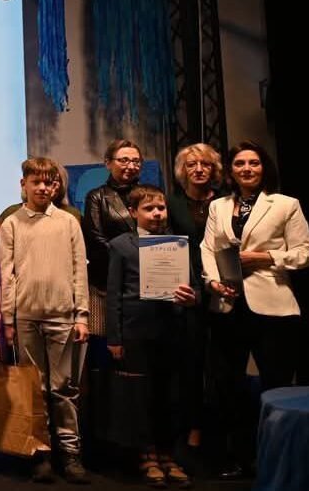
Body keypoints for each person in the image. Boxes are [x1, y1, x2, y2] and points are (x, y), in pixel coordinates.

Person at [201, 141, 309, 479]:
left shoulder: (286, 204)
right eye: (239, 163)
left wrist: (264, 257)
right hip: (228, 304)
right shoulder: (218, 206)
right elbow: (208, 248)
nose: (247, 169)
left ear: (264, 167)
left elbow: (305, 253)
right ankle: (239, 458)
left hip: (273, 307)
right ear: (230, 171)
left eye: (253, 163)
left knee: (276, 387)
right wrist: (212, 282)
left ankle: (280, 459)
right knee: (228, 388)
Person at [0, 157, 89, 484]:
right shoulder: (11, 224)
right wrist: (8, 319)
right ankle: (40, 453)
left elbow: (79, 271)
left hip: (62, 316)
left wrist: (81, 315)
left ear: (56, 186)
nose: (42, 187)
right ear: (23, 185)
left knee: (63, 388)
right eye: (35, 182)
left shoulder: (68, 222)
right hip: (26, 318)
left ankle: (70, 453)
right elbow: (7, 275)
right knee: (34, 388)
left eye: (48, 182)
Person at [107, 185, 198, 488]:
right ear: (133, 212)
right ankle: (146, 455)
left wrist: (192, 298)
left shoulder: (178, 244)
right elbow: (114, 295)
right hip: (136, 331)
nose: (157, 213)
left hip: (172, 331)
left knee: (170, 395)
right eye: (149, 209)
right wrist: (115, 338)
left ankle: (168, 453)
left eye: (161, 208)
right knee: (140, 397)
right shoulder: (121, 245)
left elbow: (195, 287)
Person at [165, 143, 223, 456]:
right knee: (190, 363)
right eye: (191, 165)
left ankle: (220, 431)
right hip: (187, 293)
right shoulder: (172, 203)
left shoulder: (227, 201)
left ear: (214, 169)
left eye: (205, 164)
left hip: (225, 289)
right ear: (182, 171)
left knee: (221, 364)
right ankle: (192, 429)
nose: (198, 169)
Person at [83, 138, 144, 336]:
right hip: (107, 281)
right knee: (107, 344)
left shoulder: (150, 194)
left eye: (136, 161)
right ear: (108, 163)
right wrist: (131, 259)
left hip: (145, 280)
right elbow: (95, 240)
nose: (131, 166)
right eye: (124, 160)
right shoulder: (96, 197)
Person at [0, 162, 80, 254]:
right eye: (37, 182)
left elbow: (79, 252)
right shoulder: (12, 213)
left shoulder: (71, 215)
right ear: (25, 184)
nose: (43, 188)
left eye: (49, 182)